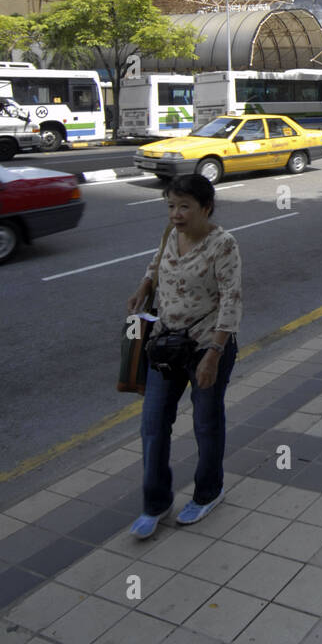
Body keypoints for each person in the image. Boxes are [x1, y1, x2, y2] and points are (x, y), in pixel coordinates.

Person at [125, 174, 242, 538]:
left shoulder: (223, 245)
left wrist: (214, 354)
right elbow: (157, 263)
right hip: (164, 344)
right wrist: (144, 286)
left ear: (205, 208)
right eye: (171, 206)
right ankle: (156, 503)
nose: (175, 214)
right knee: (153, 426)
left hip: (207, 347)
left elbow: (231, 300)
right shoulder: (169, 235)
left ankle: (209, 491)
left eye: (184, 207)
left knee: (206, 424)